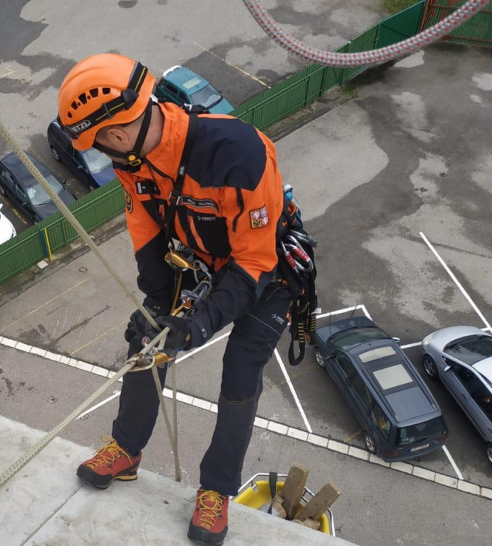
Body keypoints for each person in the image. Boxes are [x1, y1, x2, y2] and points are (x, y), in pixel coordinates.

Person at [59, 54, 293, 545]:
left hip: (267, 269)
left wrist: (198, 324)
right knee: (147, 339)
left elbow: (254, 260)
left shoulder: (237, 152)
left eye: (97, 142)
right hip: (201, 259)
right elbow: (145, 224)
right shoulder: (135, 159)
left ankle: (217, 490)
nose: (102, 152)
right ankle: (126, 449)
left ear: (117, 133)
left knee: (240, 373)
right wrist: (159, 303)